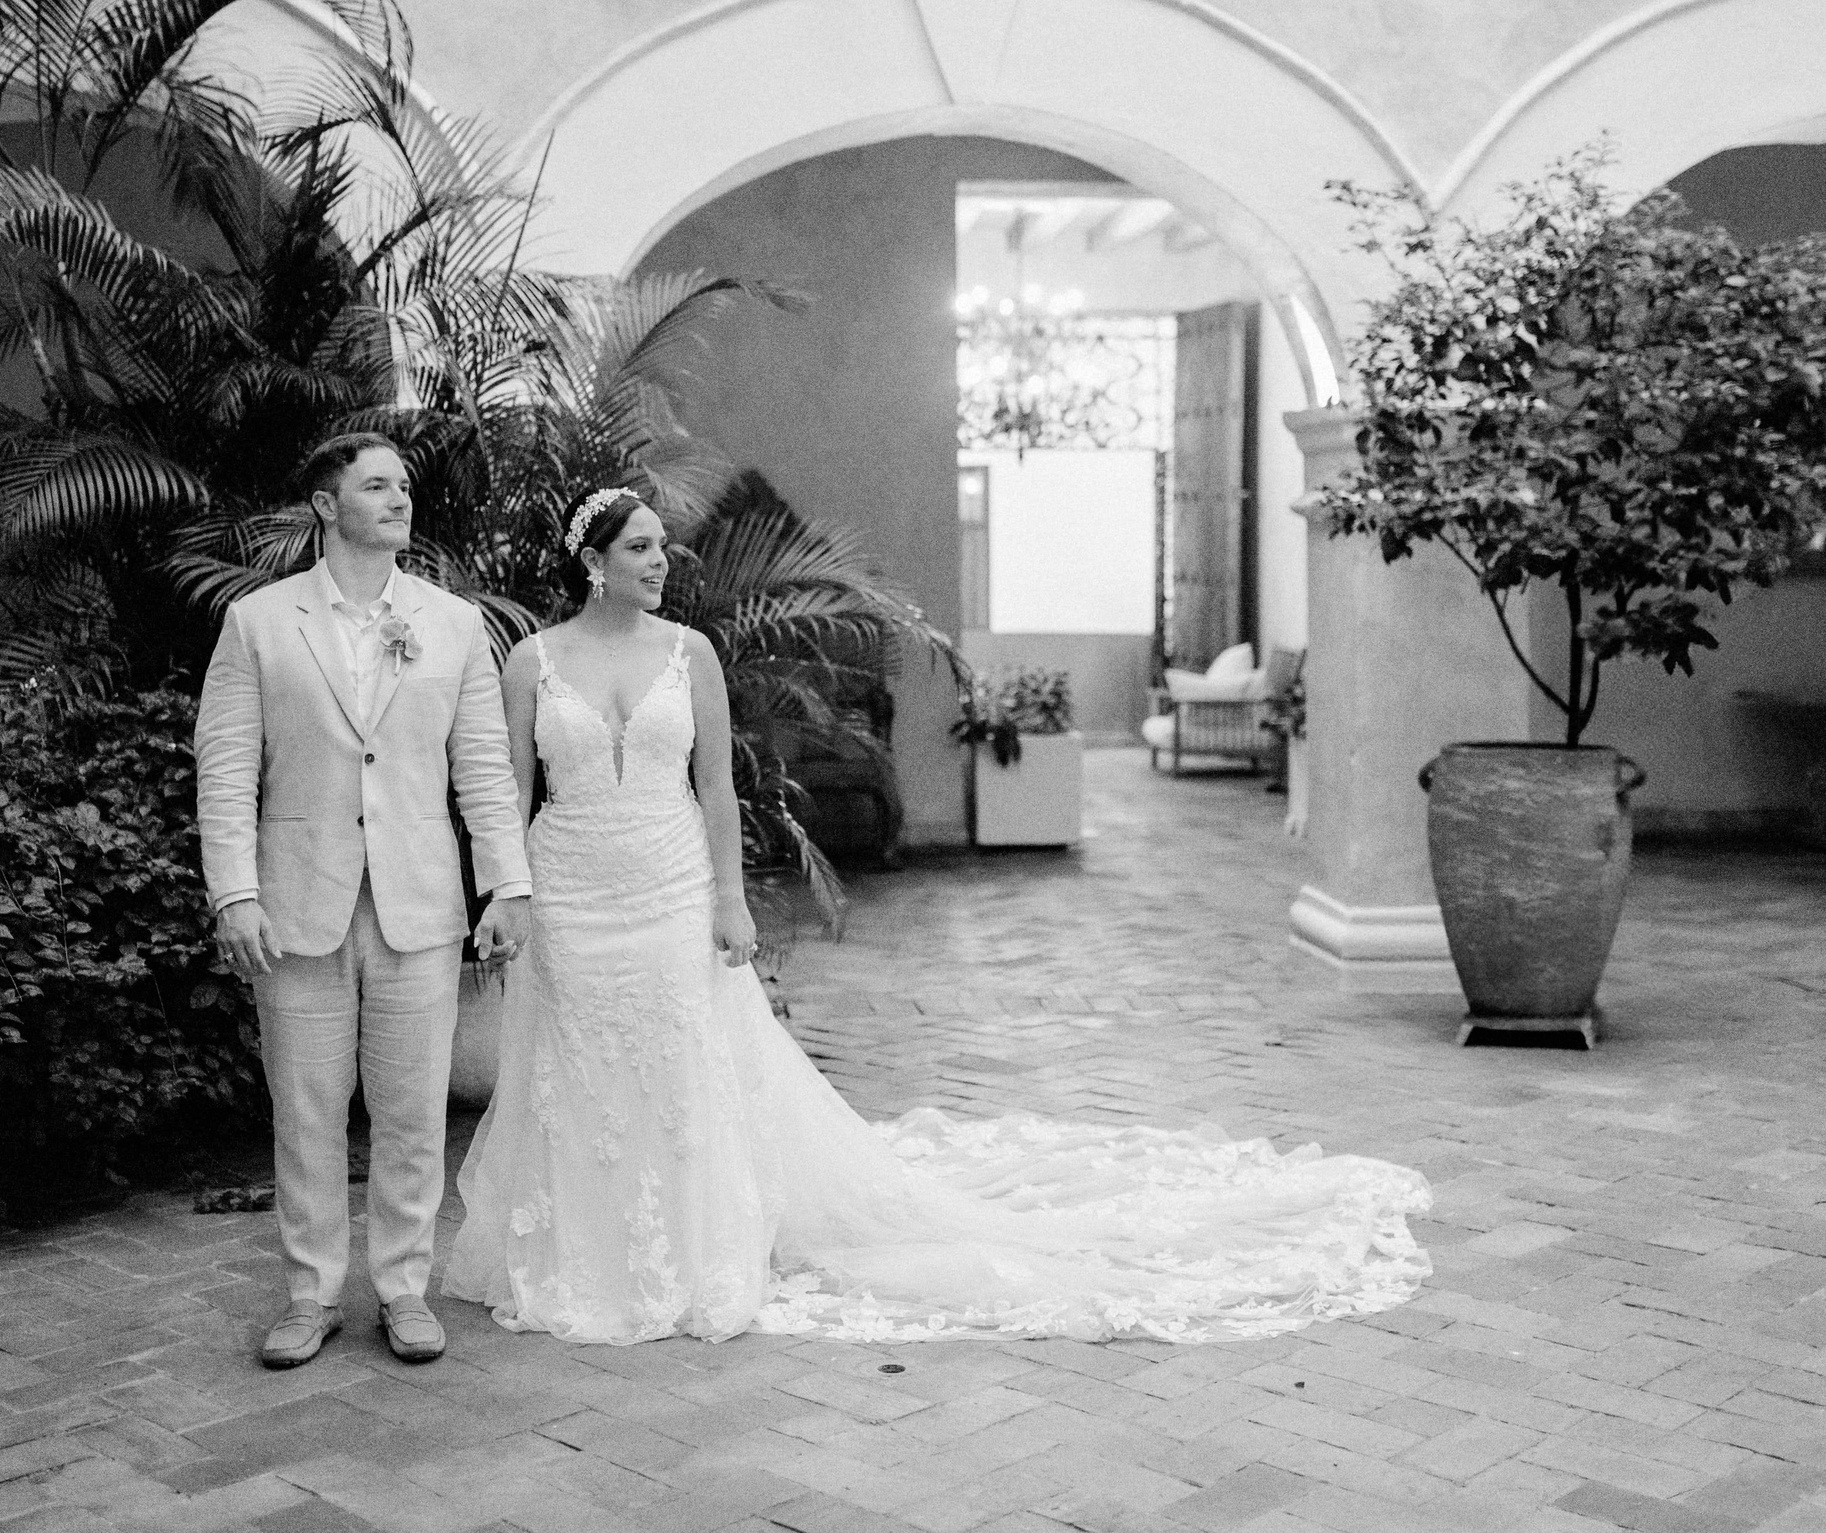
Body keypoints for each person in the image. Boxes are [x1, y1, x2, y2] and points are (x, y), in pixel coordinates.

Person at [442, 488, 1433, 1346]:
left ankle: (685, 1248)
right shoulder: (532, 662)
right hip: (573, 891)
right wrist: (507, 897)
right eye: (641, 548)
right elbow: (508, 793)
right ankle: (586, 1249)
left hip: (664, 887)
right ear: (593, 561)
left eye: (663, 545)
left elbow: (714, 790)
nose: (663, 563)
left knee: (672, 1067)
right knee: (577, 1074)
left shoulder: (688, 654)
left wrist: (731, 898)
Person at [195, 433, 531, 1370]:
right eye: (375, 485)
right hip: (298, 902)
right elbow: (225, 770)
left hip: (418, 901)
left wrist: (507, 882)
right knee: (304, 1111)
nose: (399, 499)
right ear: (323, 502)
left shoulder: (454, 623)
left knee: (415, 1110)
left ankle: (402, 1287)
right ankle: (310, 1295)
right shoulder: (258, 623)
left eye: (405, 486)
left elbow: (484, 769)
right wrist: (234, 891)